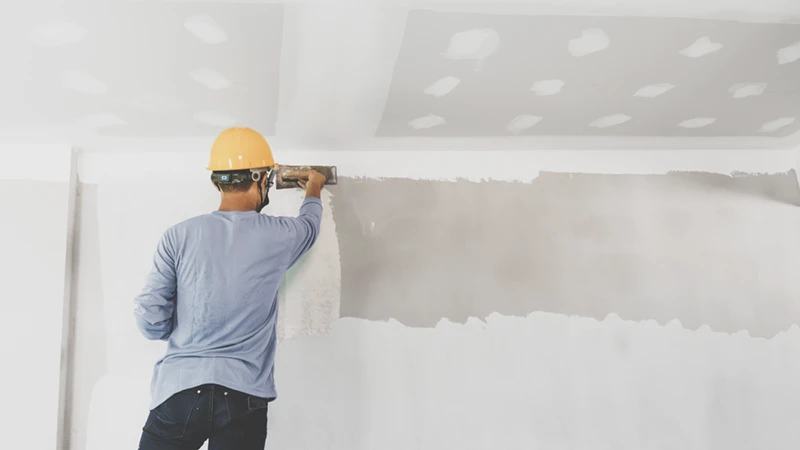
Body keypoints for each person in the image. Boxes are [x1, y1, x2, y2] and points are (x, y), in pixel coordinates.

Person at [134, 127, 327, 449]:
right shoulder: (280, 234)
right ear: (262, 179)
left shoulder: (177, 236)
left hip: (180, 387)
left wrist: (181, 329)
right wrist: (315, 186)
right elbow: (310, 225)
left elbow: (149, 320)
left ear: (215, 182)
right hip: (242, 394)